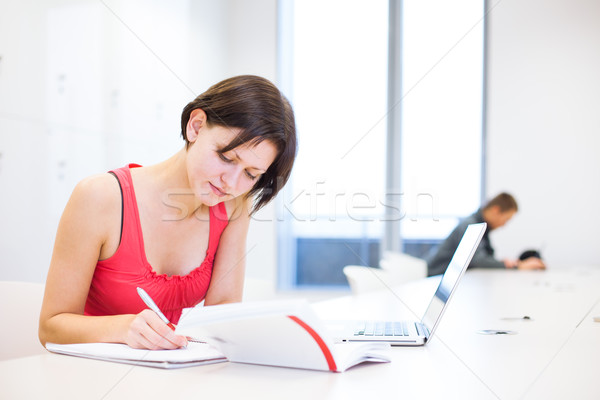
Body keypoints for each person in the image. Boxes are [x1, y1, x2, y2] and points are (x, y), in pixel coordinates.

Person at [39, 75, 297, 350]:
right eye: (226, 157)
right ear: (195, 126)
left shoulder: (234, 207)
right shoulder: (99, 197)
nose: (231, 183)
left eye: (250, 173)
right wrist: (122, 327)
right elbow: (50, 327)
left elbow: (221, 315)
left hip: (172, 377)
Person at [426, 192, 545, 276]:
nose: (504, 225)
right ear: (496, 210)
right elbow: (478, 260)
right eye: (506, 219)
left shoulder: (482, 227)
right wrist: (516, 267)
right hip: (436, 279)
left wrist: (506, 264)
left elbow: (484, 257)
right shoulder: (471, 225)